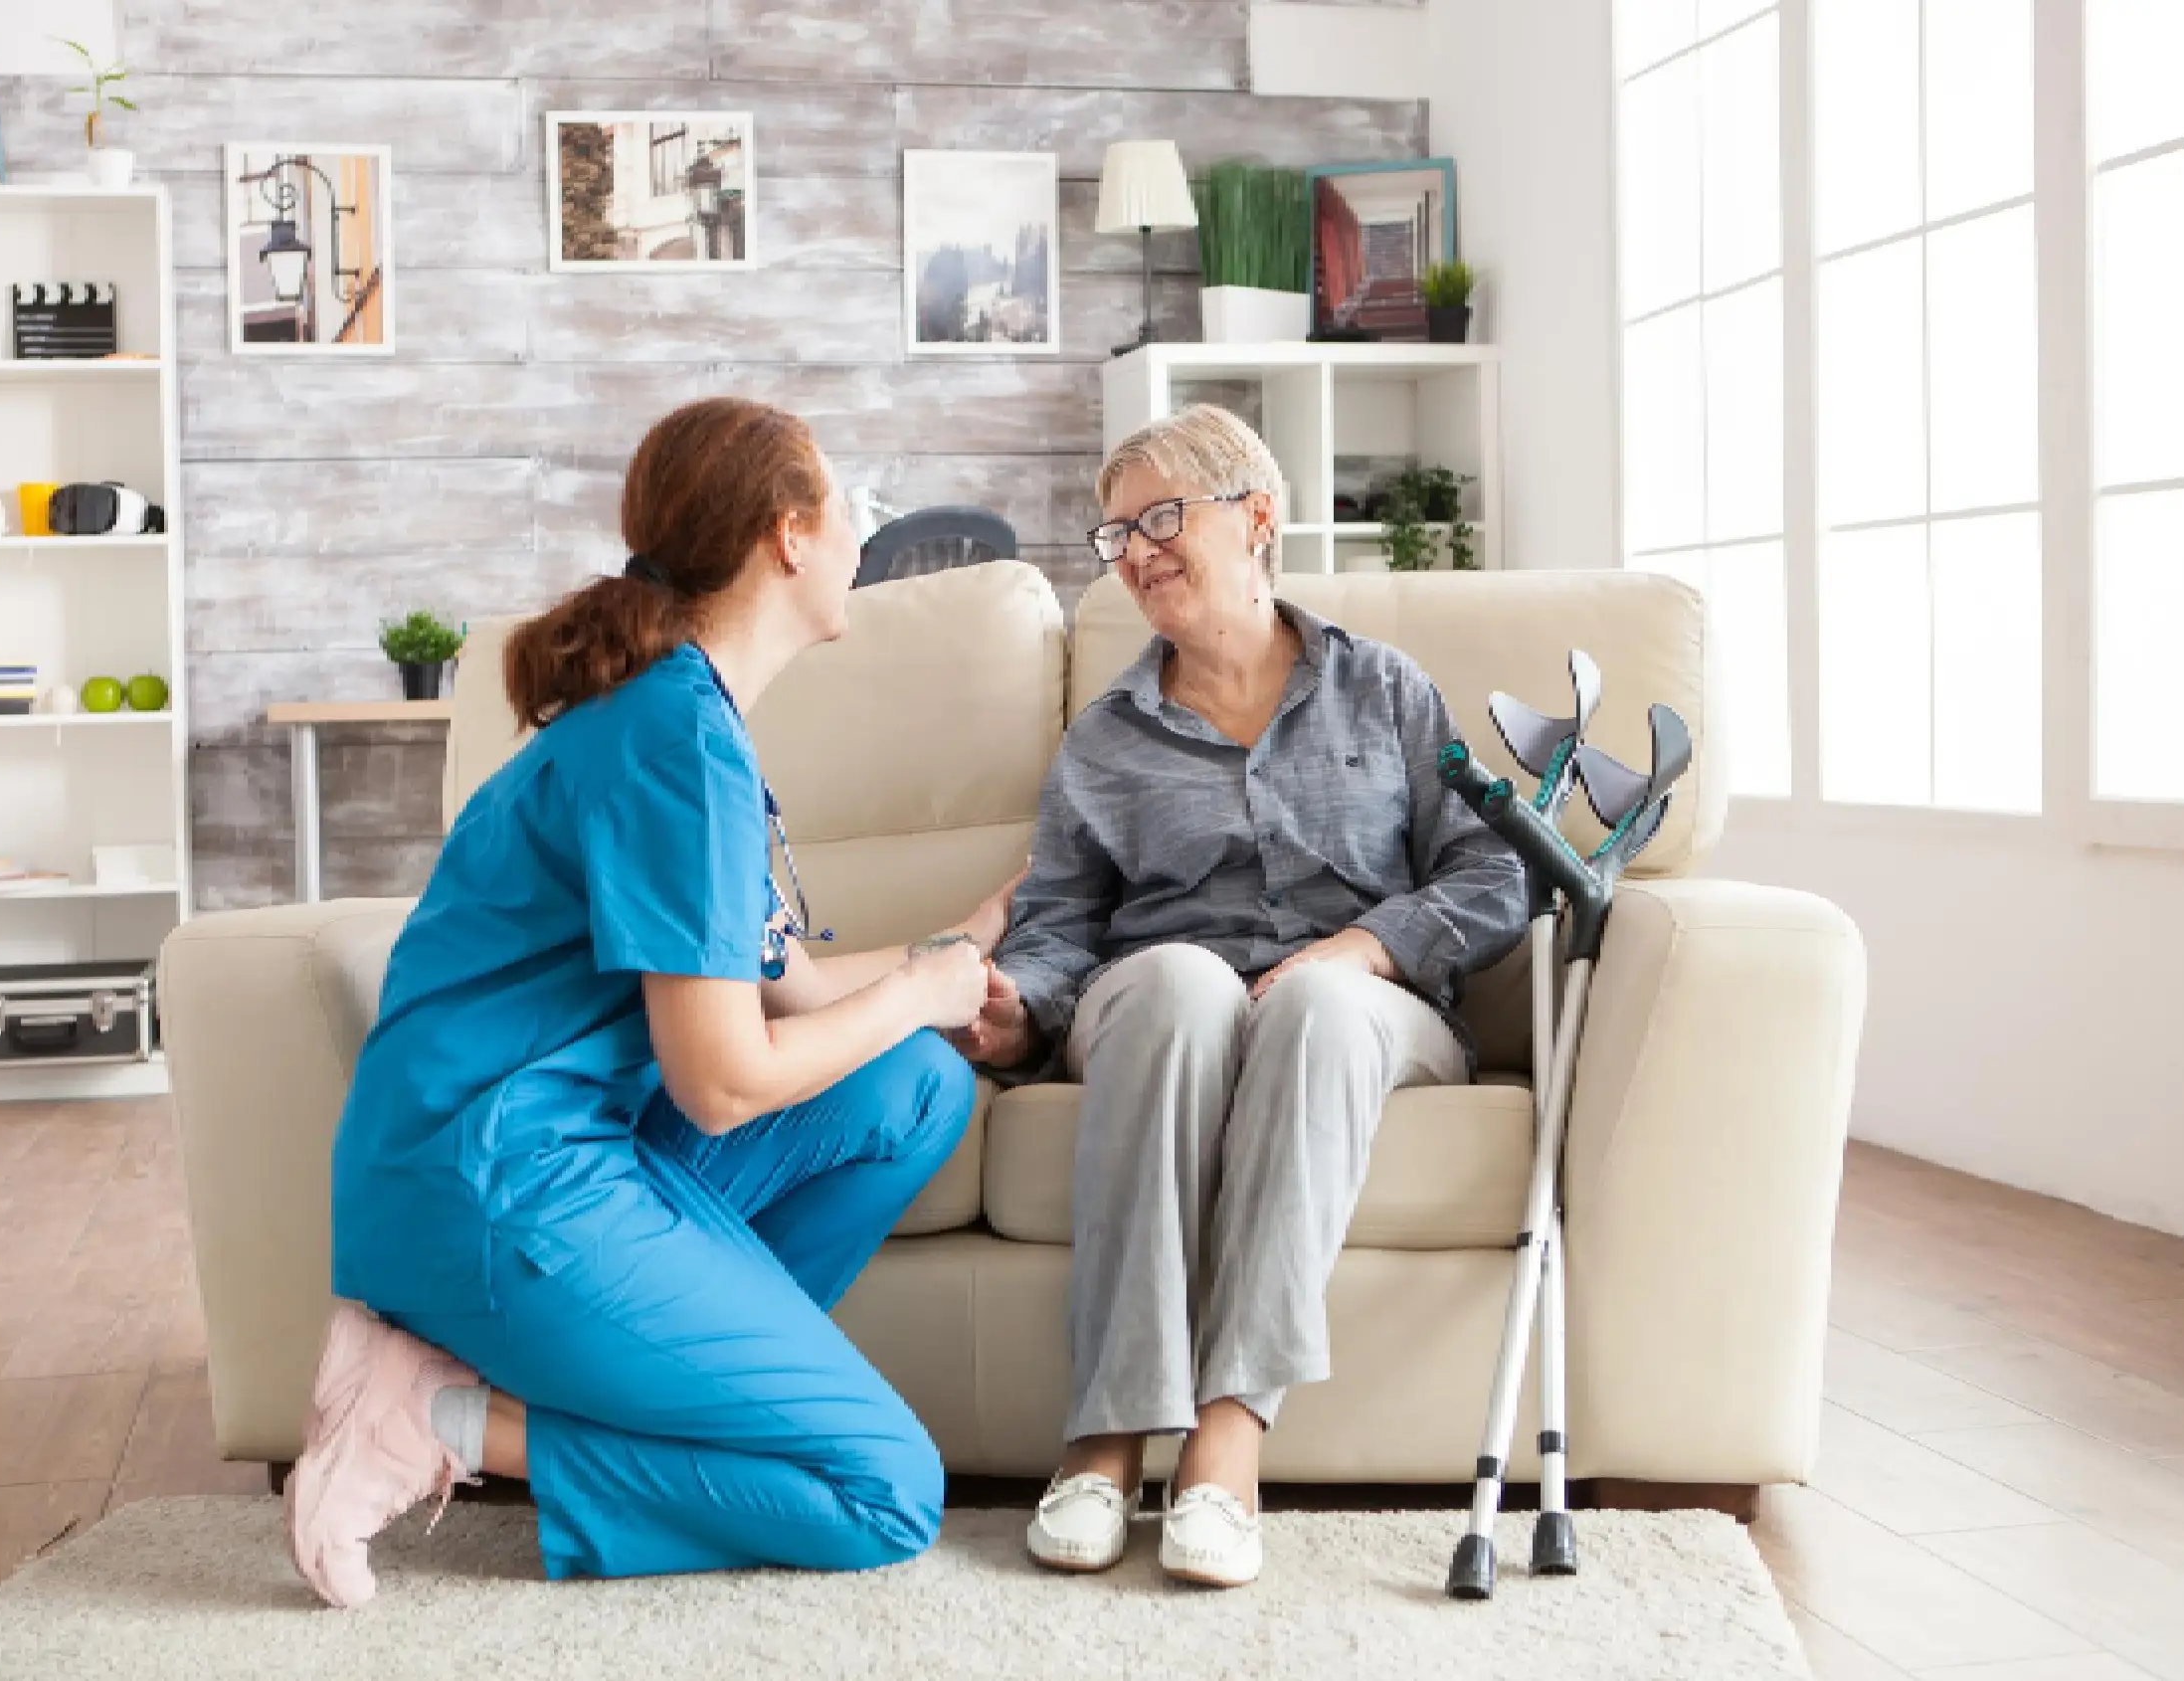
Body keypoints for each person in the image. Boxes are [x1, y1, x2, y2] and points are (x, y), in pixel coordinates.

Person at [284, 397, 1015, 1607]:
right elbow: (722, 1086)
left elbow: (811, 990)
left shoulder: (683, 719)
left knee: (917, 1081)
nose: (859, 538)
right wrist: (920, 989)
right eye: (850, 510)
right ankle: (441, 1420)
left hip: (536, 1158)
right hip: (495, 1185)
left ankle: (686, 1386)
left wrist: (972, 944)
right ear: (790, 534)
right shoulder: (676, 745)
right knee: (884, 1490)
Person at [957, 405, 1529, 1588]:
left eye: (1162, 517)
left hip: (1362, 1006)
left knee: (1310, 1007)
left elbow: (1492, 873)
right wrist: (1016, 1009)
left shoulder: (1384, 691)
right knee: (1178, 981)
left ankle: (1226, 1439)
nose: (1137, 550)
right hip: (1162, 999)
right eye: (1117, 536)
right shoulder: (1103, 741)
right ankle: (1106, 1435)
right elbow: (1061, 930)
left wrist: (1365, 949)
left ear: (1257, 517)